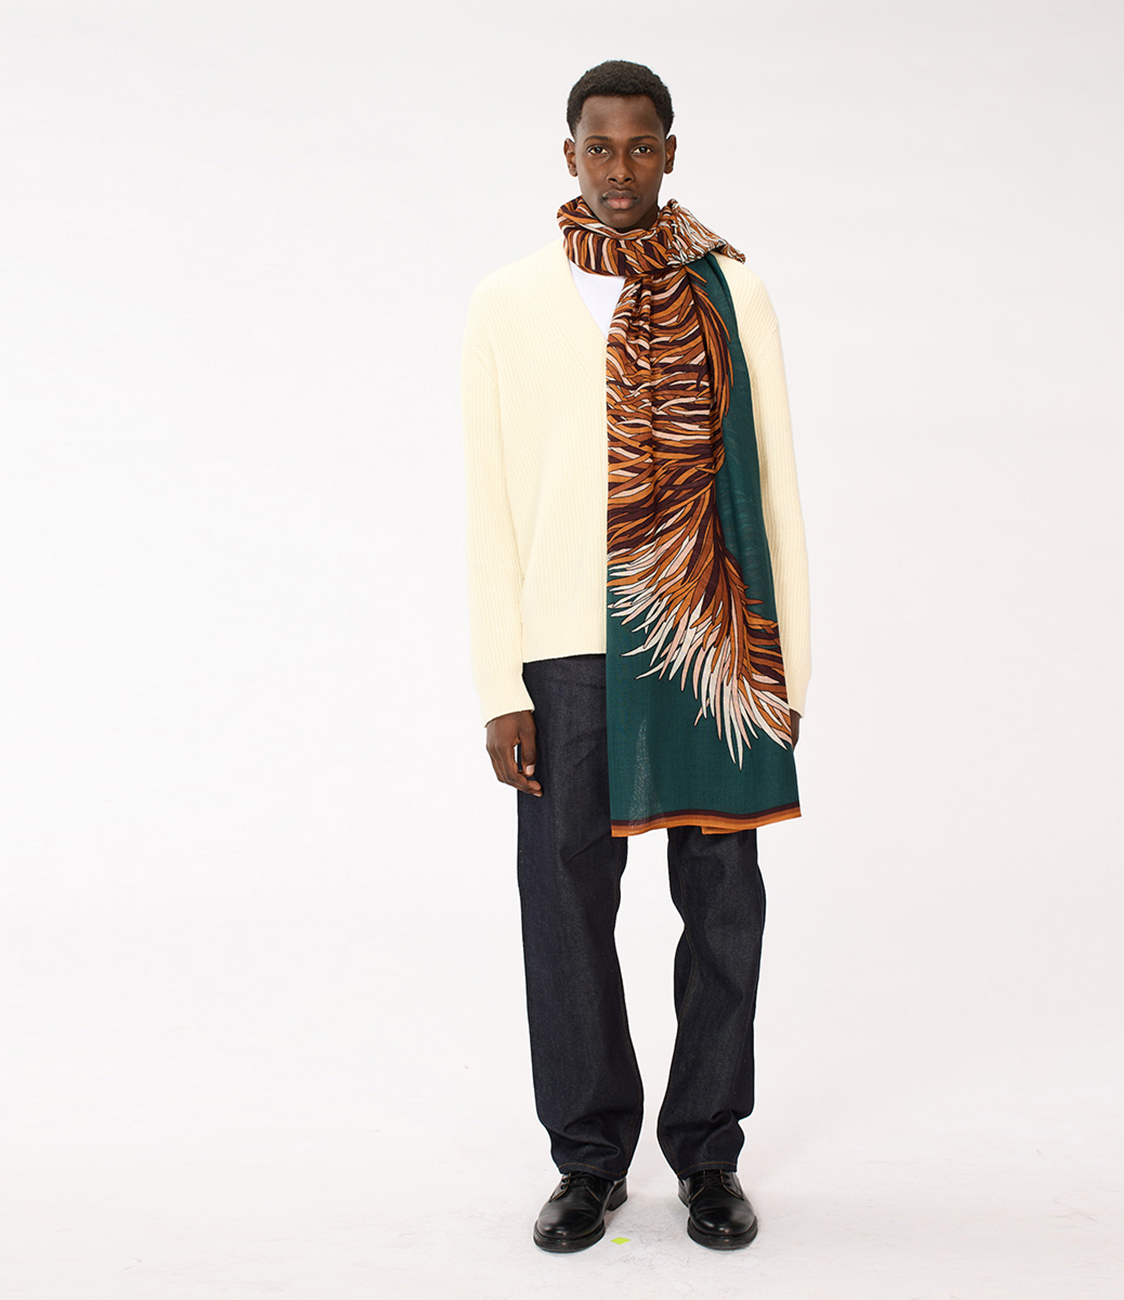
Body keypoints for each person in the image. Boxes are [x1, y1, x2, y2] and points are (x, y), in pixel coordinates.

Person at [460, 59, 810, 1253]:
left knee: (722, 901)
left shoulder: (731, 288)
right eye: (598, 146)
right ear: (569, 155)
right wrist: (499, 683)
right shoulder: (507, 301)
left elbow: (775, 484)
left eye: (641, 144)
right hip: (565, 648)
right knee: (563, 901)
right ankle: (588, 1159)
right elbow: (490, 504)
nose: (619, 167)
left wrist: (788, 668)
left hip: (707, 633)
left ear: (670, 152)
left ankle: (708, 1153)